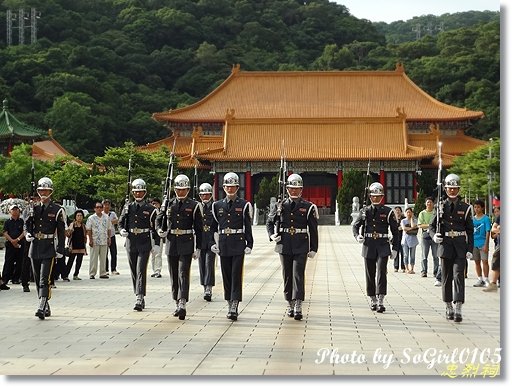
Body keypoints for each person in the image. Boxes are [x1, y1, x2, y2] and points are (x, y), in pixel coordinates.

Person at [266, 173, 319, 320]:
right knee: (287, 275)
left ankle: (298, 304)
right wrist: (272, 235)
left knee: (298, 274)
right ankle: (289, 302)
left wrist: (314, 248)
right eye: (291, 188)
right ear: (287, 189)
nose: (293, 191)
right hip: (284, 244)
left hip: (301, 244)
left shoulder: (308, 207)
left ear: (301, 190)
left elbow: (313, 229)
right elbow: (269, 223)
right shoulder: (279, 206)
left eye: (296, 188)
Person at [156, 174, 203, 320]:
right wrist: (159, 230)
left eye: (183, 189)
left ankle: (183, 301)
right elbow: (159, 219)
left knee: (183, 272)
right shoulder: (168, 203)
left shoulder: (194, 205)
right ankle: (176, 301)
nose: (180, 192)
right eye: (178, 189)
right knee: (173, 274)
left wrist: (199, 247)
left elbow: (199, 228)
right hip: (171, 242)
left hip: (186, 241)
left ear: (188, 189)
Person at [210, 172, 254, 321]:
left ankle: (234, 304)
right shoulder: (217, 205)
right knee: (226, 275)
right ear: (223, 187)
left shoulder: (244, 205)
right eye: (228, 186)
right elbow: (212, 227)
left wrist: (250, 244)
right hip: (223, 243)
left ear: (237, 187)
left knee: (236, 274)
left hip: (238, 242)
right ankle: (229, 300)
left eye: (233, 186)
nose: (230, 189)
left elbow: (247, 226)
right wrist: (212, 243)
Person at [430, 174, 474, 323]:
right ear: (445, 189)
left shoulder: (466, 208)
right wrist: (434, 236)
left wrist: (470, 248)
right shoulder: (440, 206)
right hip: (445, 245)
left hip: (460, 246)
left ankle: (459, 307)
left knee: (458, 276)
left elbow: (469, 230)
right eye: (450, 188)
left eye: (455, 188)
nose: (452, 191)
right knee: (446, 277)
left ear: (459, 189)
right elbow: (432, 226)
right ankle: (448, 305)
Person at [352, 182, 399, 313]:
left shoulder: (388, 212)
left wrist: (395, 248)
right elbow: (355, 226)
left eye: (378, 196)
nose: (376, 198)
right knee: (370, 273)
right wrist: (357, 236)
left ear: (382, 196)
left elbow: (395, 231)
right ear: (370, 197)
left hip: (383, 244)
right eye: (373, 196)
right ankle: (372, 297)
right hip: (369, 245)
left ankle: (381, 299)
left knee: (382, 271)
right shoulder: (364, 211)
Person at [24, 177, 66, 320]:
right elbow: (27, 225)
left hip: (48, 247)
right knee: (36, 279)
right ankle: (45, 304)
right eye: (41, 190)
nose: (43, 192)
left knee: (44, 278)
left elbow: (61, 231)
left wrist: (61, 249)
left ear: (51, 191)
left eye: (45, 190)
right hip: (35, 246)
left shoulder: (57, 210)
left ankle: (41, 305)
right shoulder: (32, 208)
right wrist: (28, 233)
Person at [119, 178, 160, 311]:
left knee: (141, 268)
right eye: (136, 192)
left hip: (144, 240)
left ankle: (140, 296)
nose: (138, 194)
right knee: (133, 270)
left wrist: (157, 244)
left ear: (145, 192)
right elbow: (120, 222)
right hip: (131, 240)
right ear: (132, 193)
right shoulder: (127, 207)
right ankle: (138, 293)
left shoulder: (151, 209)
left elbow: (156, 227)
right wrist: (122, 230)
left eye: (140, 192)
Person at [197, 183, 217, 302]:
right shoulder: (197, 207)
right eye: (203, 195)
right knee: (201, 264)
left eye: (207, 194)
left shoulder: (214, 206)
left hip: (211, 239)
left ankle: (209, 288)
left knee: (209, 263)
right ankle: (204, 286)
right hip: (200, 239)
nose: (205, 197)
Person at [85, 202, 111, 280]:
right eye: (97, 207)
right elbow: (89, 229)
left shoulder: (106, 217)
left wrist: (109, 238)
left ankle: (103, 273)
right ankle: (92, 273)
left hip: (104, 239)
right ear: (94, 209)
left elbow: (109, 228)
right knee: (93, 258)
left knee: (103, 258)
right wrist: (90, 239)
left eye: (100, 207)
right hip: (95, 240)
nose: (99, 208)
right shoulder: (91, 218)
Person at [2, 204, 25, 288]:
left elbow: (24, 232)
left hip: (20, 243)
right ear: (10, 211)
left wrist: (17, 240)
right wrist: (12, 241)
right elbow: (5, 232)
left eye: (16, 209)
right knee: (8, 262)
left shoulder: (22, 221)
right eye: (13, 210)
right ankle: (5, 278)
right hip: (10, 244)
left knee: (20, 262)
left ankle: (16, 278)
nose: (15, 211)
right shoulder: (7, 222)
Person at [471, 199, 492, 287]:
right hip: (474, 243)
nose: (476, 209)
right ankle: (480, 278)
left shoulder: (486, 219)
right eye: (475, 207)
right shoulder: (472, 219)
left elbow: (488, 232)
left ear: (482, 208)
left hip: (483, 242)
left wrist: (486, 244)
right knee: (476, 261)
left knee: (485, 261)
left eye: (478, 207)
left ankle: (486, 279)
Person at [418, 197, 439, 279]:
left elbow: (438, 224)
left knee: (436, 256)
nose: (429, 204)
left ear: (433, 203)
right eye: (427, 202)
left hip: (434, 236)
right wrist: (430, 225)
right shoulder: (422, 213)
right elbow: (420, 225)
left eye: (430, 202)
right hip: (425, 236)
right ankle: (424, 271)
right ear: (425, 204)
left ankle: (436, 271)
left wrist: (427, 225)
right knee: (424, 255)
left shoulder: (436, 213)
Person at [65, 210, 87, 281]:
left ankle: (76, 274)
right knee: (70, 261)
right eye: (78, 216)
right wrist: (70, 230)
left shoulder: (83, 226)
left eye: (81, 216)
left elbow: (84, 235)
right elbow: (68, 235)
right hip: (73, 246)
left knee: (79, 261)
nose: (79, 217)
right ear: (75, 217)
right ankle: (66, 275)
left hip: (81, 246)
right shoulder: (72, 224)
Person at [483, 213, 500, 292]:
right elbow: (493, 229)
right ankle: (493, 283)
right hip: (500, 245)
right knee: (496, 262)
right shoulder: (500, 217)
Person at [103, 199, 120, 275]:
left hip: (112, 235)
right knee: (104, 253)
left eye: (108, 205)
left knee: (113, 253)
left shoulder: (112, 213)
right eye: (105, 205)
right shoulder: (101, 214)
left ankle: (113, 269)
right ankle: (105, 269)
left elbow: (117, 220)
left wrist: (110, 221)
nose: (107, 206)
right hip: (104, 236)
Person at [401, 207, 419, 274]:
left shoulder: (415, 220)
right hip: (405, 239)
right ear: (405, 213)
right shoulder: (403, 221)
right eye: (407, 212)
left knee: (412, 255)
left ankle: (412, 268)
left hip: (413, 240)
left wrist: (411, 219)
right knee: (406, 255)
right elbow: (404, 229)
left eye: (410, 212)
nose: (408, 213)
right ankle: (406, 268)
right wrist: (412, 228)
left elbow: (414, 225)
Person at [149, 198, 164, 278]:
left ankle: (157, 270)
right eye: (152, 203)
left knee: (158, 253)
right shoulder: (151, 212)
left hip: (158, 234)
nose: (154, 205)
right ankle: (154, 270)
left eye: (156, 203)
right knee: (153, 254)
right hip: (151, 234)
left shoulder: (161, 212)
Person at [393, 206, 405, 272]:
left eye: (398, 210)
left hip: (403, 237)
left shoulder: (404, 219)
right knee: (396, 253)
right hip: (395, 238)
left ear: (401, 211)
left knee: (403, 253)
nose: (397, 212)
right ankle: (396, 266)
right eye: (396, 210)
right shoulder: (392, 219)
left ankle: (403, 267)